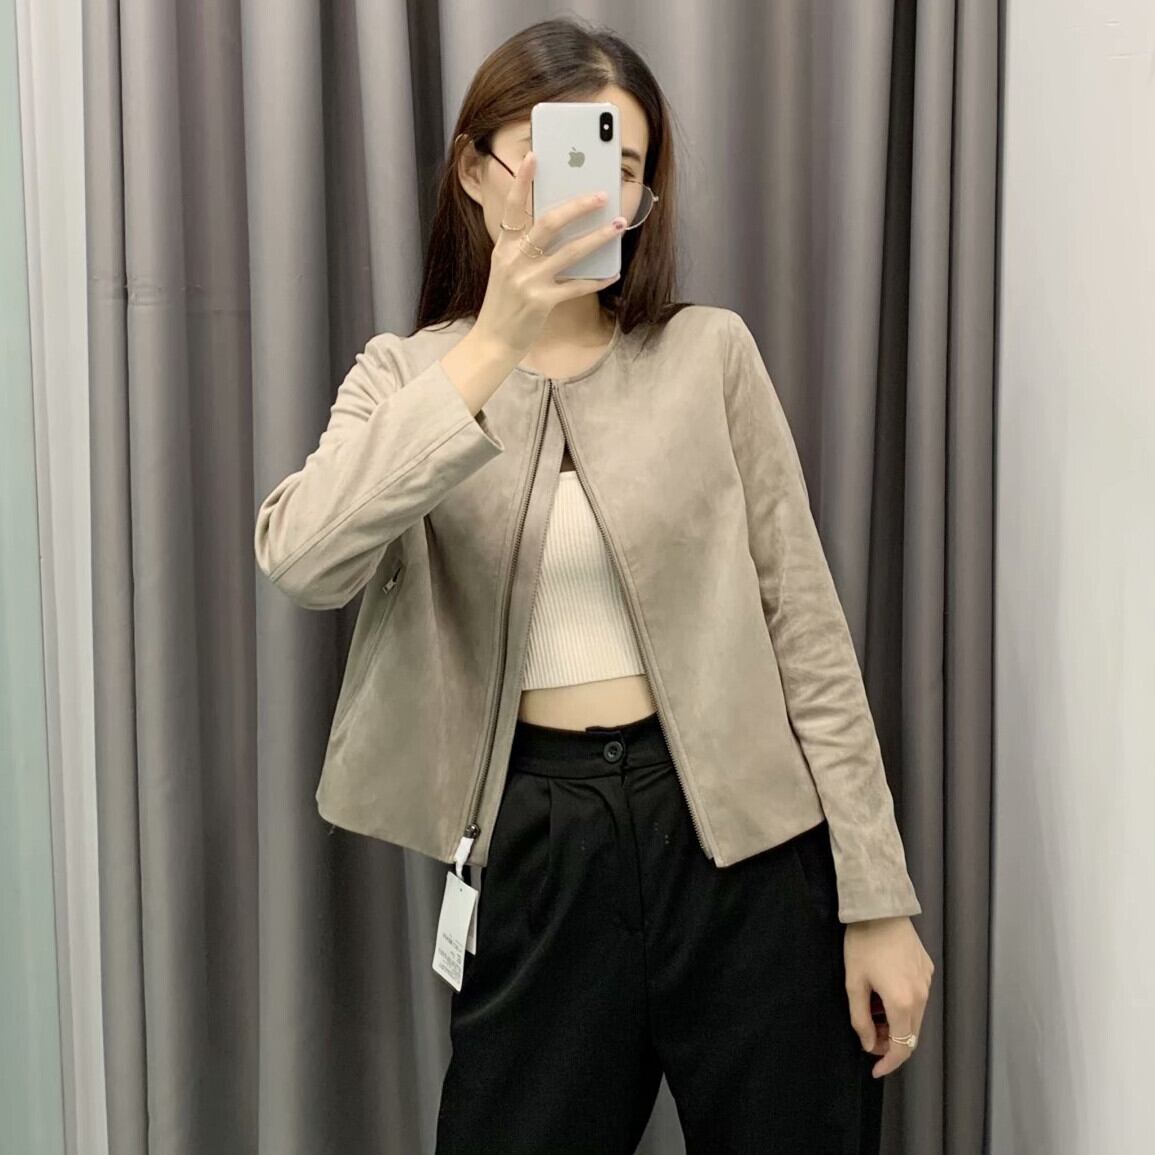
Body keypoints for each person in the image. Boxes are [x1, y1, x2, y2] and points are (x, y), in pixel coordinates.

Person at [254, 16, 934, 1155]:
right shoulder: (406, 375)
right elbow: (304, 560)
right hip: (539, 843)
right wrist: (490, 347)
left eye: (624, 166)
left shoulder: (708, 354)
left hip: (748, 849)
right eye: (563, 153)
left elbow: (807, 632)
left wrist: (877, 898)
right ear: (477, 171)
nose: (597, 191)